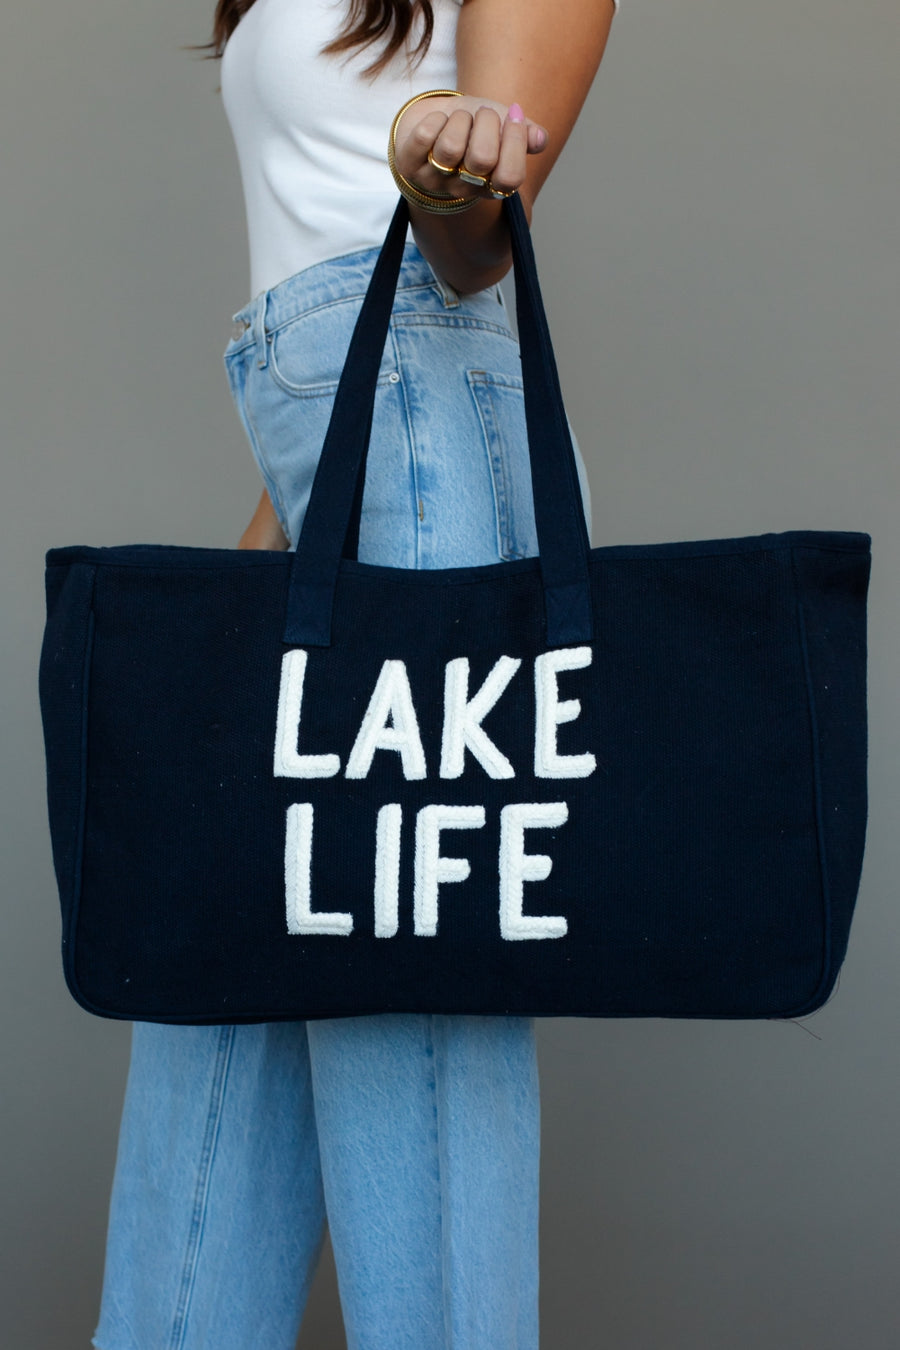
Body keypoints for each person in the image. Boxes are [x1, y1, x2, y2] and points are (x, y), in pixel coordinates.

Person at [91, 1, 618, 1347]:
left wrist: (443, 170)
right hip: (316, 487)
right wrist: (253, 588)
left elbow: (475, 250)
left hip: (435, 471)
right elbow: (330, 395)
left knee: (415, 1075)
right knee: (209, 1024)